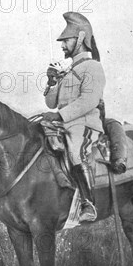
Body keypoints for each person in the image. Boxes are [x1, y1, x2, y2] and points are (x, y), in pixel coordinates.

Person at [42, 12, 105, 222]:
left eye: (66, 41)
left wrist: (59, 115)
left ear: (80, 38)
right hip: (63, 123)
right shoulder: (68, 71)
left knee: (76, 151)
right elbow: (51, 103)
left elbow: (89, 100)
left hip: (84, 124)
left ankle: (89, 204)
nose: (62, 46)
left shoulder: (93, 67)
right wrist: (51, 82)